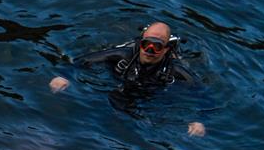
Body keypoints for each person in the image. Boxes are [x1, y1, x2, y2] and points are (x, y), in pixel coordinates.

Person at [49, 22, 207, 137]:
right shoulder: (123, 55)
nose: (150, 51)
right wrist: (63, 76)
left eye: (157, 47)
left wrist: (199, 121)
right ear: (140, 44)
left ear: (166, 49)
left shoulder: (175, 70)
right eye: (146, 44)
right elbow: (81, 61)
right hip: (120, 86)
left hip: (152, 95)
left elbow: (203, 96)